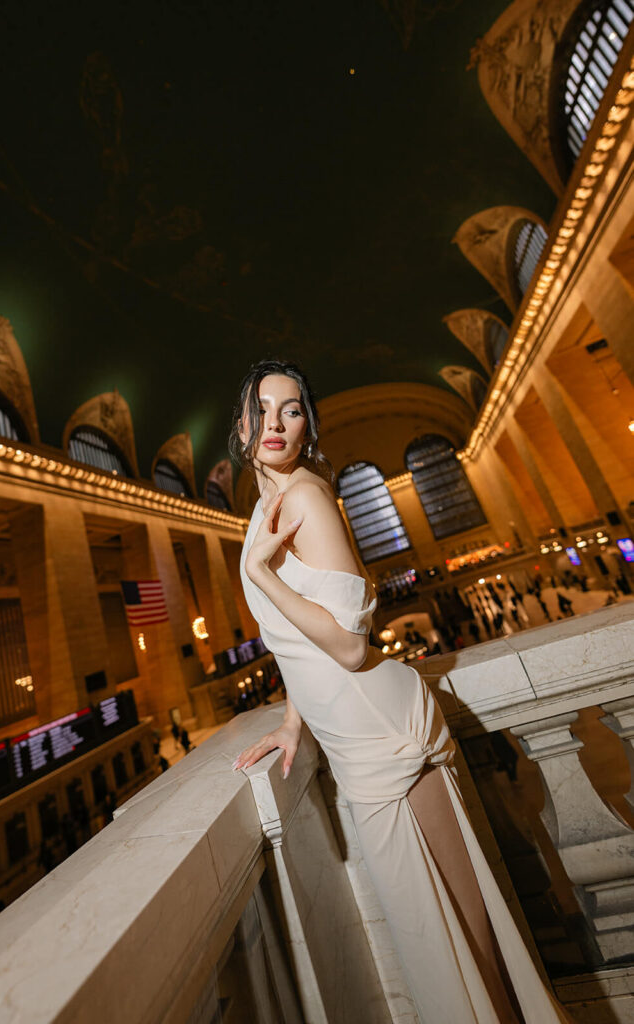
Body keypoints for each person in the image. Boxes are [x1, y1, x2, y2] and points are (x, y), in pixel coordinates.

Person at [230, 360, 571, 1024]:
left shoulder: (305, 497)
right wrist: (294, 724)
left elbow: (352, 644)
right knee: (433, 948)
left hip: (388, 736)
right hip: (353, 739)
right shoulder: (262, 508)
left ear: (308, 426)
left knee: (464, 940)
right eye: (260, 408)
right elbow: (292, 640)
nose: (274, 422)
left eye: (291, 409)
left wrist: (259, 576)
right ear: (240, 425)